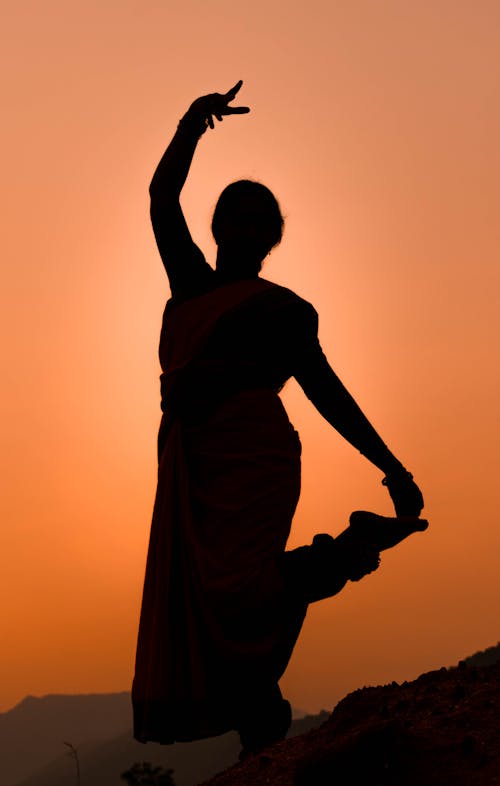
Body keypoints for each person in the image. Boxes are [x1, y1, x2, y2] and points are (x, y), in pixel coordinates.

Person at [132, 81, 427, 757]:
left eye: (258, 221)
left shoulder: (283, 311)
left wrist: (392, 466)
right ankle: (259, 715)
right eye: (235, 216)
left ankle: (348, 554)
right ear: (218, 229)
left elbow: (326, 392)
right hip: (192, 459)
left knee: (244, 588)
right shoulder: (193, 284)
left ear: (270, 238)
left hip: (253, 454)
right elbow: (159, 200)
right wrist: (189, 126)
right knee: (212, 603)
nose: (245, 228)